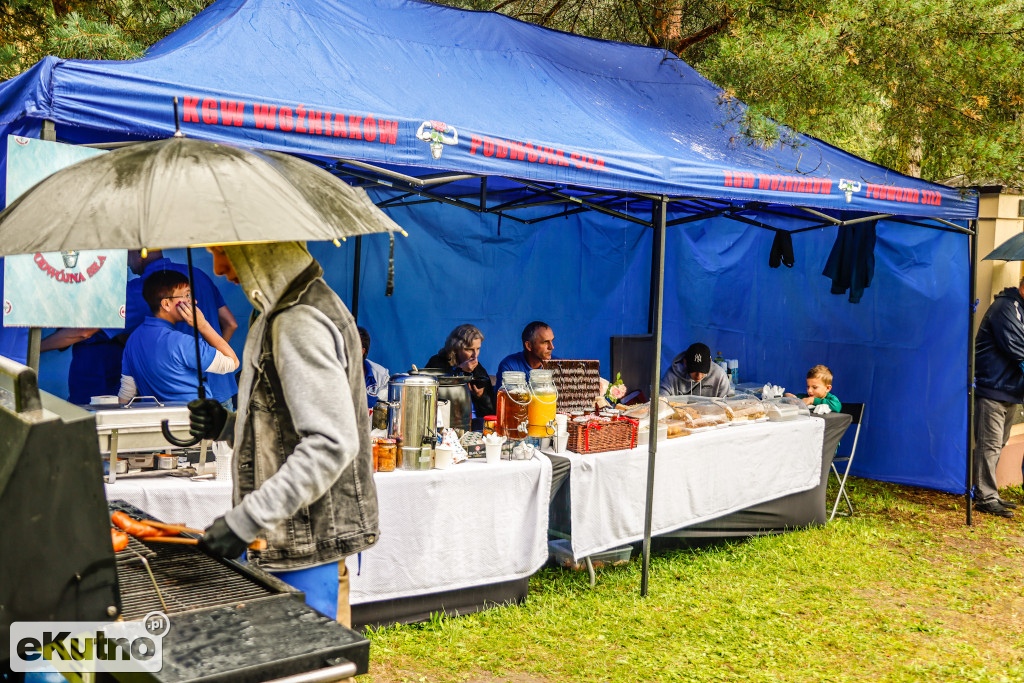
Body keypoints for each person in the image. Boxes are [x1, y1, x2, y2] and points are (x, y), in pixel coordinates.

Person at [186, 242, 379, 627]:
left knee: (310, 657)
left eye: (223, 251)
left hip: (304, 546)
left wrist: (246, 520)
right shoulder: (284, 308)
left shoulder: (298, 319)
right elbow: (283, 424)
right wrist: (228, 425)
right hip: (295, 538)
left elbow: (330, 444)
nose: (219, 268)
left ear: (257, 246)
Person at [40, 249, 238, 405]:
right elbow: (230, 323)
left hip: (182, 405)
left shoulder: (139, 292)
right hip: (223, 389)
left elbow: (83, 331)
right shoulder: (198, 275)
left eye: (126, 253)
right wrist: (210, 358)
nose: (126, 263)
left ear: (140, 251)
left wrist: (33, 348)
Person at [125, 250, 238, 405]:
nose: (194, 301)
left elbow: (126, 393)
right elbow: (231, 324)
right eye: (187, 296)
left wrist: (207, 356)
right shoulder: (198, 275)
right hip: (219, 389)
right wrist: (212, 350)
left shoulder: (136, 294)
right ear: (165, 304)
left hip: (172, 406)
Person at [971, 278, 1024, 518]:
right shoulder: (1006, 307)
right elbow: (1017, 347)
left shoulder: (1019, 309)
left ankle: (989, 492)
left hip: (1010, 389)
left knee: (998, 443)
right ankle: (985, 498)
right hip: (993, 388)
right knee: (989, 445)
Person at [426, 323, 496, 419]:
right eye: (469, 349)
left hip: (473, 421)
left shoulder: (478, 369)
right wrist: (459, 370)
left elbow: (492, 411)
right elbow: (431, 392)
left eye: (478, 349)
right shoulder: (437, 362)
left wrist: (481, 396)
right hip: (445, 420)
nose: (475, 355)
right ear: (455, 349)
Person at [496, 321, 555, 389]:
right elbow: (503, 394)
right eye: (545, 342)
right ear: (529, 345)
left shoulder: (558, 365)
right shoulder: (509, 366)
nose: (552, 347)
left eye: (552, 341)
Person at [659, 342, 729, 398]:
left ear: (710, 362)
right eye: (694, 370)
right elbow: (661, 399)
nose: (698, 376)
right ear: (685, 362)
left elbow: (727, 403)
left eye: (703, 370)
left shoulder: (719, 375)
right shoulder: (672, 375)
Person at [358, 326, 389, 408]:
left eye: (349, 346)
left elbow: (384, 409)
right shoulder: (336, 372)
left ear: (362, 351)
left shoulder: (381, 375)